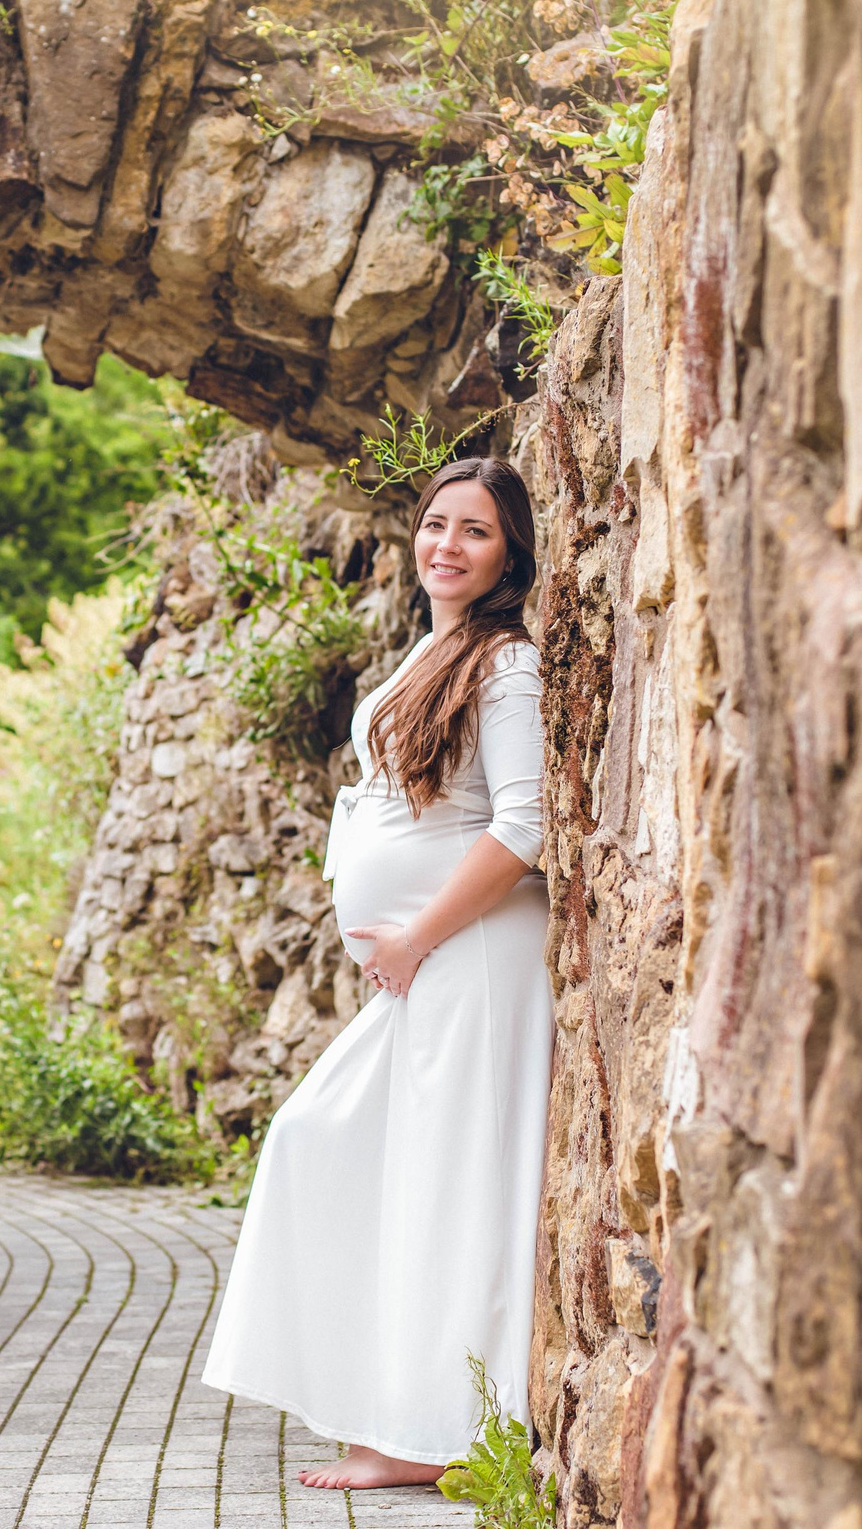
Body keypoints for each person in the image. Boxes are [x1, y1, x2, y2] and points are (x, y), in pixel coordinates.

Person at [199, 455, 554, 1489]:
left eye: (475, 531)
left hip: (472, 958)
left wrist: (412, 935)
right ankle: (400, 1406)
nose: (447, 544)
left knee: (450, 1187)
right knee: (333, 1145)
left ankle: (432, 1431)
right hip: (427, 964)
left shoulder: (507, 666)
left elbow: (521, 828)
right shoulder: (432, 651)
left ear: (509, 555)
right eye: (436, 523)